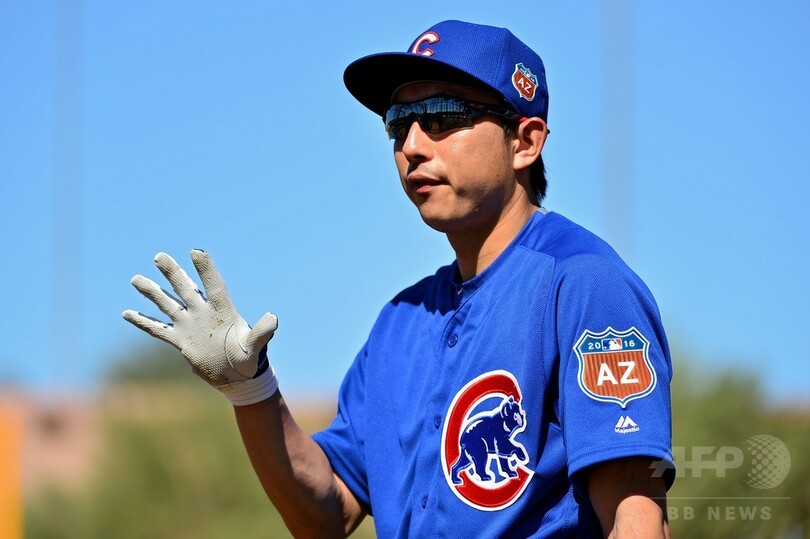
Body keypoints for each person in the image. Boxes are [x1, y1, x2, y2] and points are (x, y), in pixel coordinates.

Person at [124, 20, 675, 538]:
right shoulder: (401, 321)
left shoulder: (583, 283)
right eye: (398, 123)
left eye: (441, 116)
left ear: (525, 142)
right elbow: (327, 511)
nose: (411, 145)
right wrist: (250, 390)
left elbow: (635, 518)